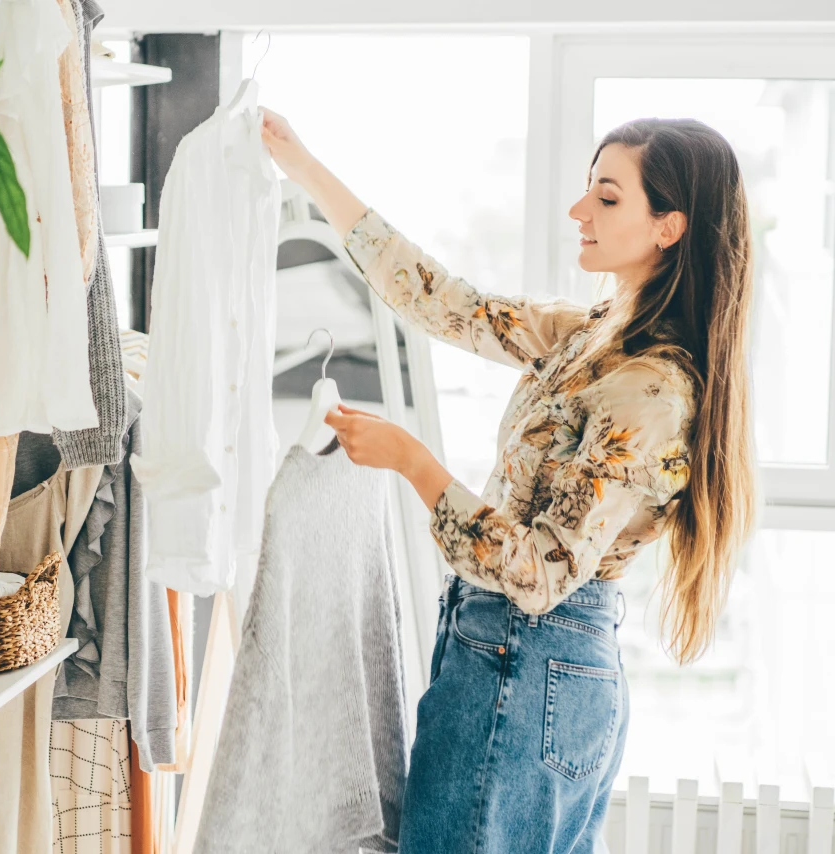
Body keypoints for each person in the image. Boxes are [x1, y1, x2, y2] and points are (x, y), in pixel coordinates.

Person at [260, 109, 758, 853]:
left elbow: (538, 573)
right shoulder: (591, 335)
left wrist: (413, 463)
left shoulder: (650, 390)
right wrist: (305, 170)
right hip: (516, 661)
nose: (578, 211)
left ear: (669, 227)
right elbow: (444, 302)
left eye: (608, 198)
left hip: (526, 662)